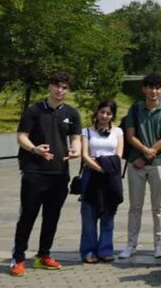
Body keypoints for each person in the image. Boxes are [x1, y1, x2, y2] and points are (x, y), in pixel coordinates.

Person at [10, 72, 81, 276]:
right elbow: (21, 137)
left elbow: (75, 138)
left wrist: (75, 149)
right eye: (57, 86)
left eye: (65, 87)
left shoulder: (71, 113)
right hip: (34, 171)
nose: (60, 90)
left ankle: (43, 255)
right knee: (28, 215)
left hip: (59, 173)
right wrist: (35, 149)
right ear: (50, 86)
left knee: (52, 216)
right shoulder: (34, 110)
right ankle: (18, 258)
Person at [121, 73, 161, 260]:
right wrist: (144, 150)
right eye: (150, 87)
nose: (154, 91)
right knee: (135, 206)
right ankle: (130, 244)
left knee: (159, 207)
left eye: (158, 88)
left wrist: (150, 152)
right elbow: (130, 136)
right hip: (136, 164)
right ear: (144, 89)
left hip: (159, 164)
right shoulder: (135, 110)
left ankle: (159, 244)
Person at [78, 100, 124, 263]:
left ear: (113, 116)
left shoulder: (118, 132)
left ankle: (105, 249)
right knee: (89, 214)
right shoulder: (86, 132)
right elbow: (84, 155)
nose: (105, 116)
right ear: (97, 113)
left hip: (111, 176)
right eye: (102, 112)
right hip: (92, 175)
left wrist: (106, 168)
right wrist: (99, 168)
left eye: (109, 113)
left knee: (108, 213)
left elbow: (118, 155)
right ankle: (88, 250)